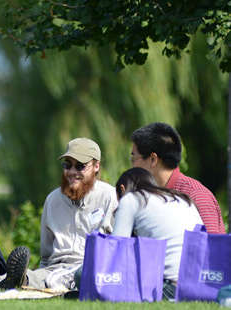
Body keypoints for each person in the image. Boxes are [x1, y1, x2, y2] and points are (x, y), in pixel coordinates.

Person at [26, 137, 118, 290]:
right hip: (54, 270)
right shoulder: (53, 199)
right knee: (27, 277)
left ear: (96, 166)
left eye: (80, 166)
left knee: (81, 277)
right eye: (67, 165)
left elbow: (120, 249)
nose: (72, 172)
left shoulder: (110, 197)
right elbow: (46, 255)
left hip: (92, 271)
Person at [113, 167, 203, 301]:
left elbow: (115, 252)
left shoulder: (132, 199)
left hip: (168, 287)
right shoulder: (183, 198)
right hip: (199, 285)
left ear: (122, 189)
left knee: (83, 274)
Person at [130, 122, 225, 234]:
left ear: (153, 159)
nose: (132, 166)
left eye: (134, 159)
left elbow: (210, 248)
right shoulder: (149, 196)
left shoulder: (197, 196)